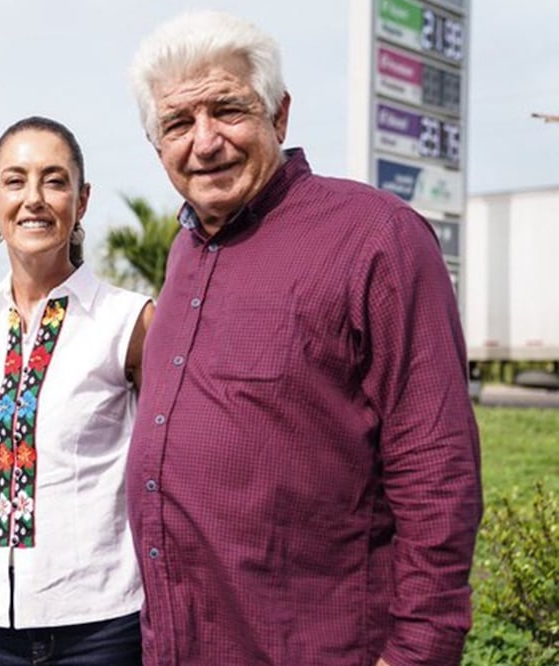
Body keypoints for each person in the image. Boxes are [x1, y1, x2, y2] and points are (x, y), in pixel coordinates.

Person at [125, 11, 482, 666]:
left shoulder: (375, 237)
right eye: (178, 123)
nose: (203, 142)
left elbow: (436, 464)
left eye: (226, 110)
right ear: (158, 147)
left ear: (278, 115)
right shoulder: (184, 252)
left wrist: (419, 651)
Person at [0, 116, 155, 665]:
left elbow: (170, 465)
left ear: (82, 199)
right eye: (15, 181)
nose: (34, 199)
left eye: (54, 181)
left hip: (101, 623)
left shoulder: (129, 321)